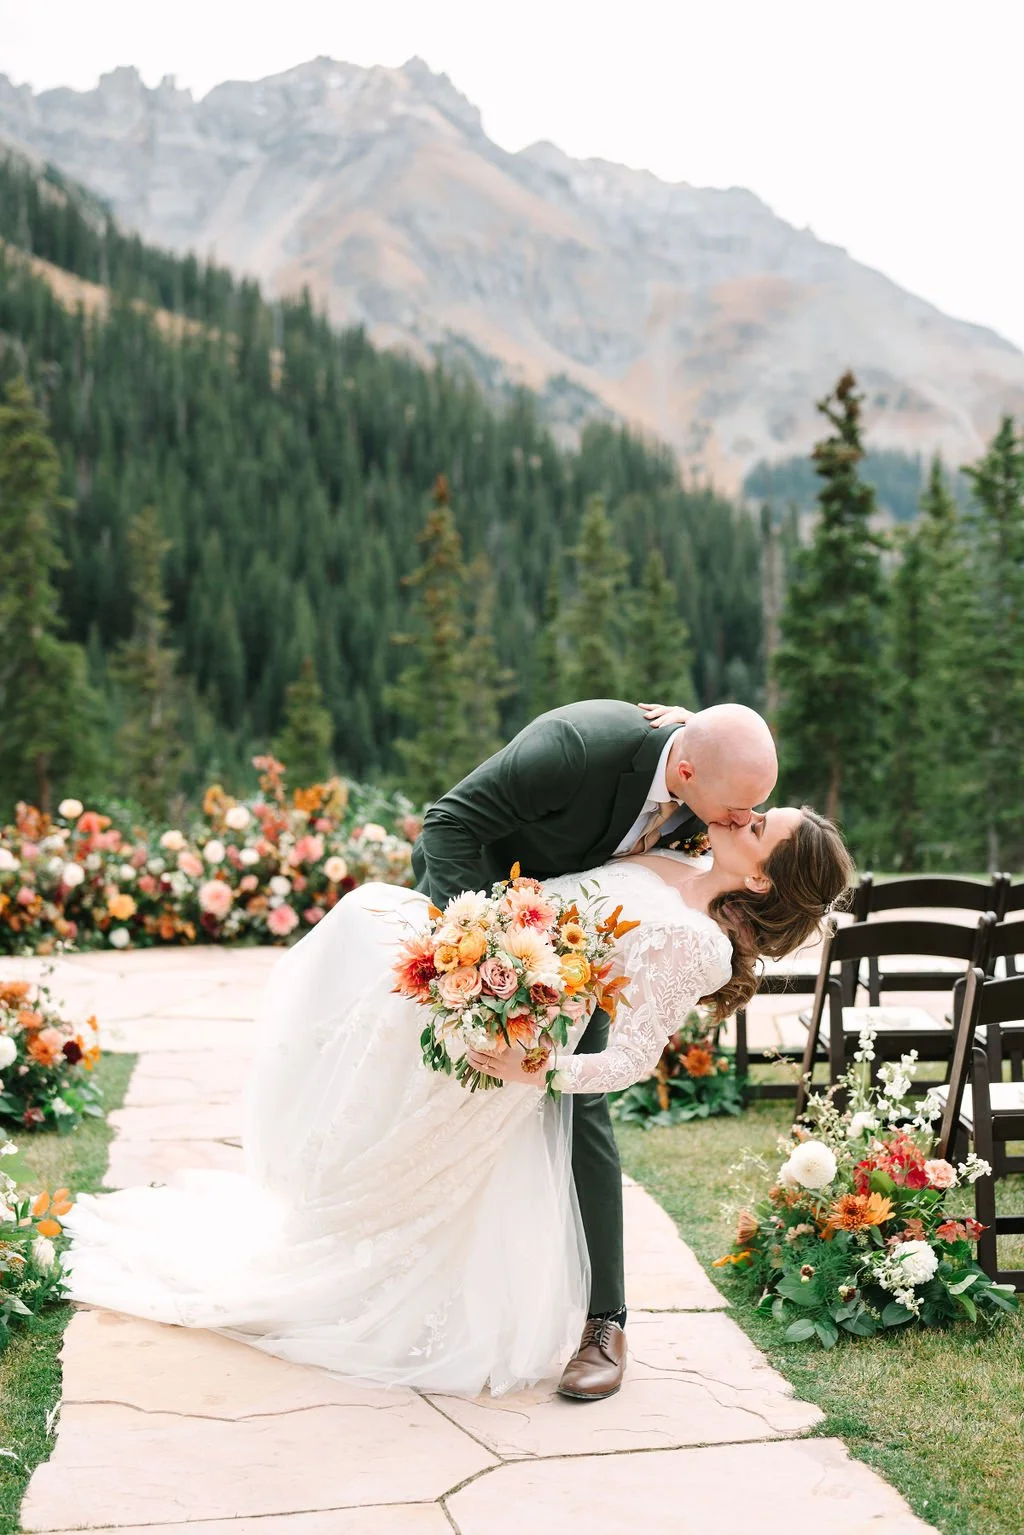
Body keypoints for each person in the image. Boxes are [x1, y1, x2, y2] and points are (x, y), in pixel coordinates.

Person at [65, 701, 852, 1402]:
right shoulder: (612, 768)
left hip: (546, 1019)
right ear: (684, 769)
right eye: (748, 808)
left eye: (758, 821)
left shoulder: (697, 919)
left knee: (569, 1129)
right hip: (486, 952)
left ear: (758, 879)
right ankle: (355, 1247)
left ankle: (604, 1320)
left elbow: (630, 1050)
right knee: (400, 1133)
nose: (748, 813)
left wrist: (540, 1058)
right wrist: (471, 963)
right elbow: (454, 826)